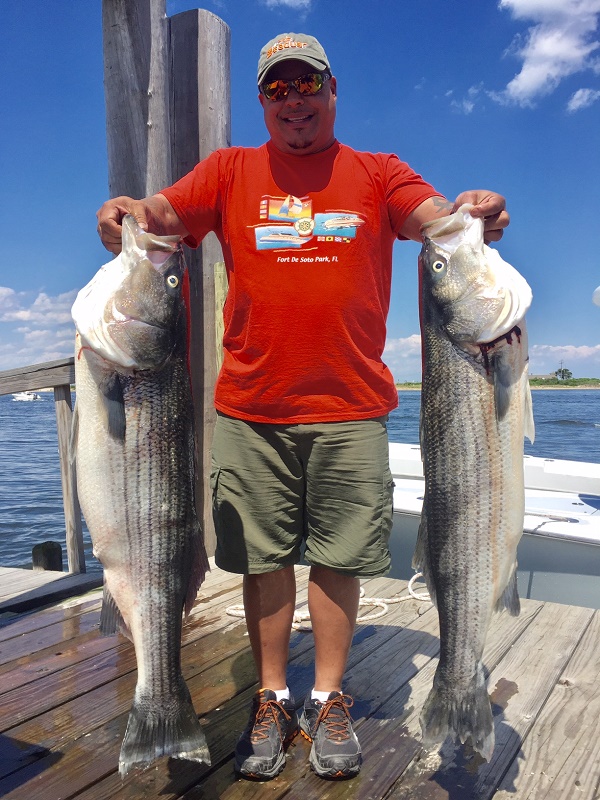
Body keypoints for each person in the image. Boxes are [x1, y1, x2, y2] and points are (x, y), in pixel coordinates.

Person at [96, 32, 510, 782]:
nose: (294, 101)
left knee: (339, 559)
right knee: (260, 562)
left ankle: (327, 698)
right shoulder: (230, 171)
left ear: (332, 89)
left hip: (351, 408)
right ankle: (270, 697)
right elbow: (159, 217)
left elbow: (434, 220)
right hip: (250, 409)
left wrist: (470, 215)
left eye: (307, 85)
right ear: (262, 101)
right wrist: (129, 210)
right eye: (278, 89)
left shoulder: (377, 172)